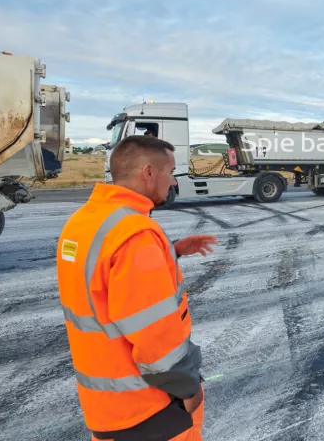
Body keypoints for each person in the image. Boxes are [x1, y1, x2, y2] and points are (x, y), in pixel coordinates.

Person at [57, 135, 217, 441]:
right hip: (148, 403)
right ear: (148, 173)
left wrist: (172, 251)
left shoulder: (85, 221)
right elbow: (154, 333)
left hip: (106, 402)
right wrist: (188, 388)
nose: (172, 182)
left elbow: (105, 275)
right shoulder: (135, 236)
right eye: (170, 172)